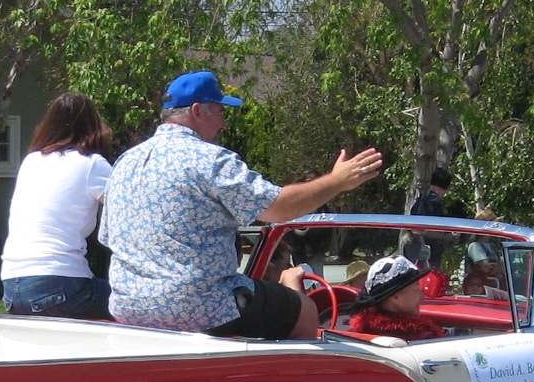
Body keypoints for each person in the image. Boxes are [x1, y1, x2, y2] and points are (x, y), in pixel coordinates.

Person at [101, 70, 382, 339]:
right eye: (221, 112)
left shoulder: (126, 161)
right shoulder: (209, 159)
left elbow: (108, 237)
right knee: (305, 311)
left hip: (128, 306)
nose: (224, 123)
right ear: (198, 111)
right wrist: (337, 181)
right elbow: (279, 209)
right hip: (200, 308)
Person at [0, 92, 115, 319]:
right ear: (93, 126)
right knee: (139, 303)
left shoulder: (31, 161)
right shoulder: (93, 164)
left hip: (12, 288)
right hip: (61, 284)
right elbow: (131, 210)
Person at [346, 255, 445, 341]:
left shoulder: (356, 336)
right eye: (416, 289)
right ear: (395, 298)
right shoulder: (425, 338)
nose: (422, 296)